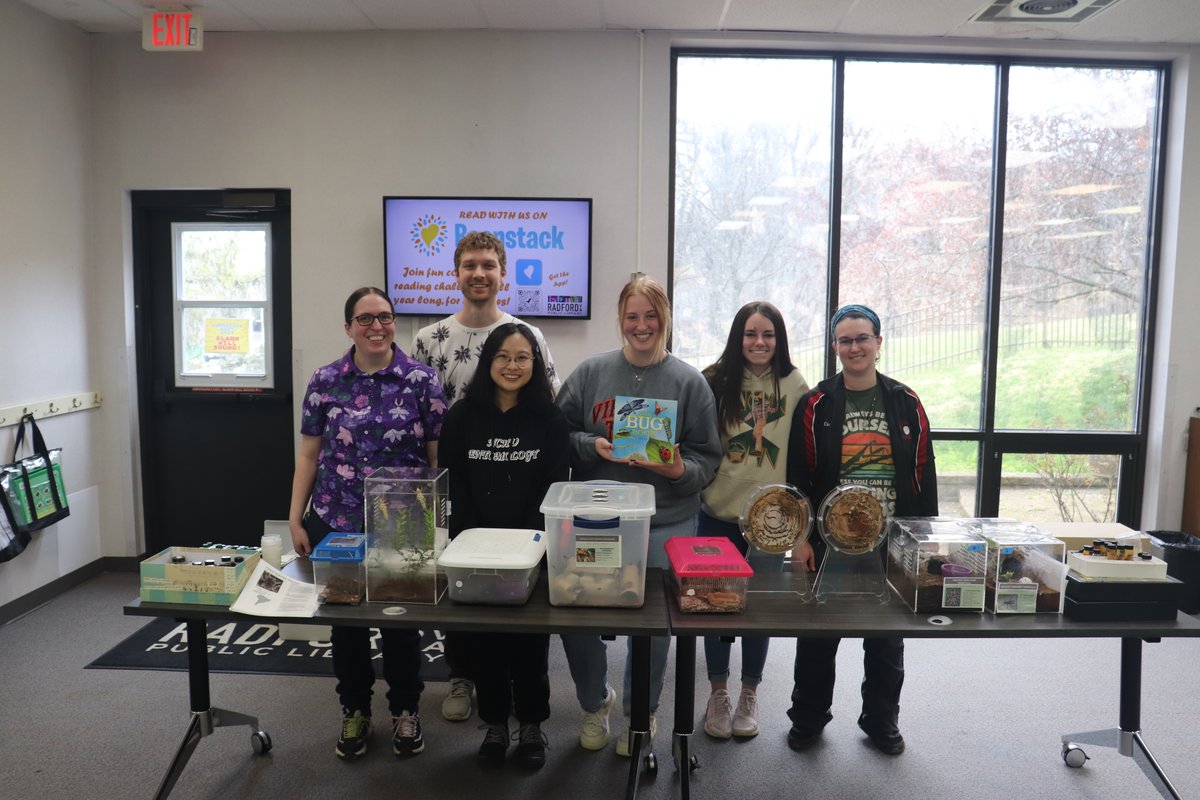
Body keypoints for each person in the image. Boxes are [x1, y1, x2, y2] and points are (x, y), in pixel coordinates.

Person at [554, 275, 721, 756]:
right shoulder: (591, 372)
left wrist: (677, 469)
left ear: (665, 318)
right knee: (579, 612)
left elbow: (707, 459)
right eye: (632, 316)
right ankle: (594, 703)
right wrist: (592, 444)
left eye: (651, 315)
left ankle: (640, 713)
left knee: (653, 625)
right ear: (620, 319)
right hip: (597, 519)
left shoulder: (689, 382)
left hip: (665, 519)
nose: (641, 325)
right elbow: (557, 433)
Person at [287, 286, 447, 761]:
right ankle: (354, 709)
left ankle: (405, 710)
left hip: (403, 524)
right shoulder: (325, 380)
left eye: (385, 317)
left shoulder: (422, 381)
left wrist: (439, 524)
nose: (376, 327)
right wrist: (295, 518)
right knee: (345, 624)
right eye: (365, 319)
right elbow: (309, 455)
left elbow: (436, 460)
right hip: (336, 520)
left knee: (400, 623)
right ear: (348, 327)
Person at [412, 230, 560, 723]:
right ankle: (461, 677)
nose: (479, 274)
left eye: (488, 265)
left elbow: (549, 406)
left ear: (502, 274)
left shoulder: (527, 334)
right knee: (464, 604)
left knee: (521, 625)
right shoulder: (428, 339)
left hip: (520, 491)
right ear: (456, 273)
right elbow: (419, 419)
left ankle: (525, 708)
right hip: (459, 488)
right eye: (470, 265)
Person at [784, 303, 938, 756]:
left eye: (862, 338)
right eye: (845, 340)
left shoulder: (906, 402)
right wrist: (800, 539)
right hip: (828, 541)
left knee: (887, 638)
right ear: (835, 347)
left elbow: (923, 473)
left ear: (878, 342)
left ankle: (880, 720)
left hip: (891, 540)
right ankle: (808, 717)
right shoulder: (816, 404)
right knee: (818, 634)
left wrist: (924, 541)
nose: (855, 348)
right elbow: (799, 476)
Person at [439, 323, 570, 769]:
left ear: (535, 364)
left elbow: (553, 485)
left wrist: (529, 546)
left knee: (530, 647)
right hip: (474, 553)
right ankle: (495, 724)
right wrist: (471, 540)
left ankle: (531, 725)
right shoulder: (461, 416)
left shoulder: (550, 419)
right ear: (488, 361)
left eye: (522, 358)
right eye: (503, 357)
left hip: (531, 553)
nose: (512, 366)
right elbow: (453, 484)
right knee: (486, 645)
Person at [698, 301, 811, 739]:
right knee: (714, 604)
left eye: (768, 334)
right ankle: (718, 692)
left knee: (758, 608)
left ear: (779, 340)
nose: (759, 342)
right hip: (718, 510)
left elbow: (802, 455)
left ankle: (749, 692)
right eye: (750, 334)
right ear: (737, 337)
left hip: (771, 518)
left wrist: (799, 526)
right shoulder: (714, 380)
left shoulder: (794, 383)